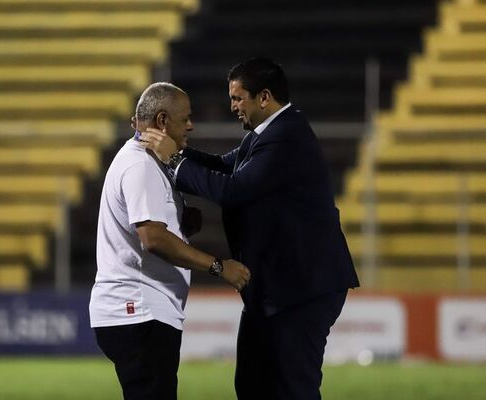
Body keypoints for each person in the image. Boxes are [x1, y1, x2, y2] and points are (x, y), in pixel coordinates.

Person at [140, 58, 360, 400]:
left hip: (302, 288)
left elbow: (233, 189)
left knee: (292, 388)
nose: (233, 106)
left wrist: (173, 159)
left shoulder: (287, 135)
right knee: (253, 385)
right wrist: (178, 148)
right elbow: (223, 167)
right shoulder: (267, 134)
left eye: (238, 97)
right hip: (276, 287)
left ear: (264, 97)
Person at [89, 82, 251, 400]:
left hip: (139, 312)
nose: (191, 124)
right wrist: (219, 266)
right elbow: (153, 238)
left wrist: (179, 220)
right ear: (162, 121)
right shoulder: (141, 165)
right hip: (138, 311)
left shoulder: (143, 160)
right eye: (185, 118)